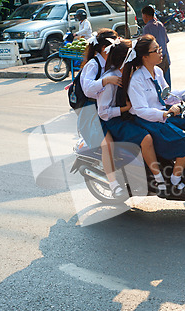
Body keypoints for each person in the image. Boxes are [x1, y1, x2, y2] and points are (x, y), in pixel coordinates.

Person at [122, 34, 185, 195]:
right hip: (148, 121)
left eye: (160, 48)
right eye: (156, 50)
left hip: (163, 115)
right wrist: (165, 114)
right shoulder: (137, 80)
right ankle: (175, 179)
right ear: (144, 56)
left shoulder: (157, 71)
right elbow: (141, 110)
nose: (160, 52)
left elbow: (167, 96)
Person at [95, 38, 167, 197]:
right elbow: (103, 112)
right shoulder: (112, 78)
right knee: (146, 138)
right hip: (112, 121)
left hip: (126, 115)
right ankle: (158, 179)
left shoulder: (132, 72)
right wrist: (125, 109)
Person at [78, 28, 124, 197]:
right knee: (108, 145)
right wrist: (106, 80)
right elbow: (88, 89)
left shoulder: (112, 63)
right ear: (104, 48)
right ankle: (113, 185)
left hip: (108, 111)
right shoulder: (93, 64)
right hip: (91, 115)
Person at [141, 5, 172, 88]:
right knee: (167, 86)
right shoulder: (160, 24)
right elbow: (166, 40)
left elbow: (145, 46)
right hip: (165, 58)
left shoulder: (147, 28)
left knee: (158, 87)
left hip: (155, 60)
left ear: (145, 15)